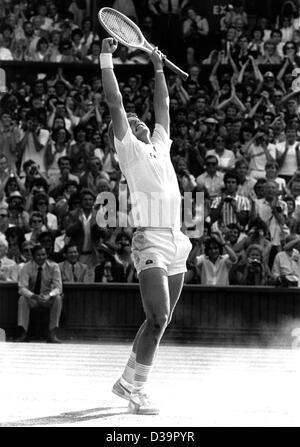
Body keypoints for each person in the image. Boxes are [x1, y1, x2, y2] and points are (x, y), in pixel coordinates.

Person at [100, 37, 192, 414]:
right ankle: (137, 389)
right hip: (150, 240)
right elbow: (115, 102)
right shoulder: (128, 149)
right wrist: (106, 56)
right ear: (117, 138)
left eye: (139, 120)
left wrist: (157, 65)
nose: (135, 118)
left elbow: (163, 106)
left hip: (178, 241)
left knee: (160, 320)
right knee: (157, 317)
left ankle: (128, 382)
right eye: (127, 122)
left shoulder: (159, 144)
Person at [16, 243, 63, 343]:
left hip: (47, 298)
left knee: (58, 298)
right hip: (33, 298)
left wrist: (49, 295)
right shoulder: (26, 267)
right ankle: (23, 334)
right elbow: (21, 288)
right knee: (22, 299)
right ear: (33, 256)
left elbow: (58, 288)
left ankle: (52, 334)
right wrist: (34, 296)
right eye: (38, 255)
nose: (41, 257)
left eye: (43, 254)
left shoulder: (54, 266)